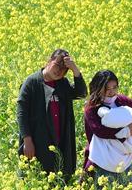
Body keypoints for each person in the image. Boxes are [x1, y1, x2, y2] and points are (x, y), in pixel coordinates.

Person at [16, 48, 87, 180]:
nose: (59, 71)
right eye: (57, 65)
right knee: (37, 176)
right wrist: (27, 140)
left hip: (59, 139)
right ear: (49, 61)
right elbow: (21, 113)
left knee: (60, 177)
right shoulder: (32, 82)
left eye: (64, 69)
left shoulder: (62, 83)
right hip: (38, 140)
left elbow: (81, 93)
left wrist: (75, 70)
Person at [82, 70, 132, 185]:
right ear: (97, 88)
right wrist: (126, 132)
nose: (111, 92)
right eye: (107, 89)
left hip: (125, 159)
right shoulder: (92, 107)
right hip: (103, 159)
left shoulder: (122, 100)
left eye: (114, 87)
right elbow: (99, 131)